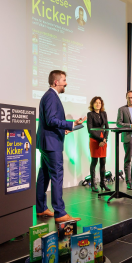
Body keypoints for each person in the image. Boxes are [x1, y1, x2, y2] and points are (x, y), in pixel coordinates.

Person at [36, 70, 86, 222]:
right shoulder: (51, 96)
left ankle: (41, 208)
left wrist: (64, 128)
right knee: (56, 176)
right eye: (64, 80)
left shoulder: (49, 96)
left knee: (44, 175)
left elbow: (50, 122)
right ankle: (60, 213)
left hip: (47, 142)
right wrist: (70, 124)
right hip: (52, 144)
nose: (66, 83)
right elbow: (51, 120)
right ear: (56, 82)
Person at [87, 96, 110, 193]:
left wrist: (105, 139)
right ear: (92, 104)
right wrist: (100, 139)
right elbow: (90, 130)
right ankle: (93, 184)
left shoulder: (104, 113)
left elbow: (107, 127)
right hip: (94, 139)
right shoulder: (90, 114)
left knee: (103, 162)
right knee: (94, 161)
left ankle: (103, 183)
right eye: (96, 102)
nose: (98, 104)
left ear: (101, 104)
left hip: (103, 139)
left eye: (99, 103)